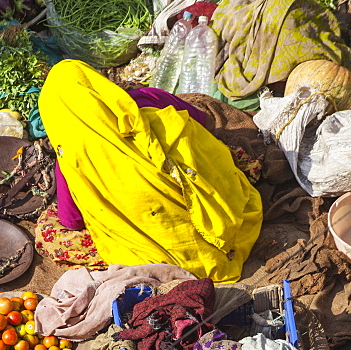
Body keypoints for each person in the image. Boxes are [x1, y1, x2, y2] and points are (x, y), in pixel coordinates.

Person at [39, 59, 263, 283]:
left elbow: (72, 221)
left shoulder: (68, 160)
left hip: (158, 258)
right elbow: (202, 121)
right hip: (219, 211)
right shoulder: (145, 99)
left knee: (48, 231)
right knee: (225, 154)